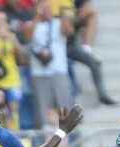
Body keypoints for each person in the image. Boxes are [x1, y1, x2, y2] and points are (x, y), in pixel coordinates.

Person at [29, 0, 73, 128]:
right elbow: (27, 36)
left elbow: (69, 32)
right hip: (39, 72)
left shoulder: (58, 23)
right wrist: (37, 17)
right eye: (43, 7)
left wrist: (63, 14)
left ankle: (67, 136)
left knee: (64, 106)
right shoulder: (31, 24)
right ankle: (44, 141)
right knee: (42, 110)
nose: (46, 10)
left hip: (58, 70)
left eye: (49, 7)